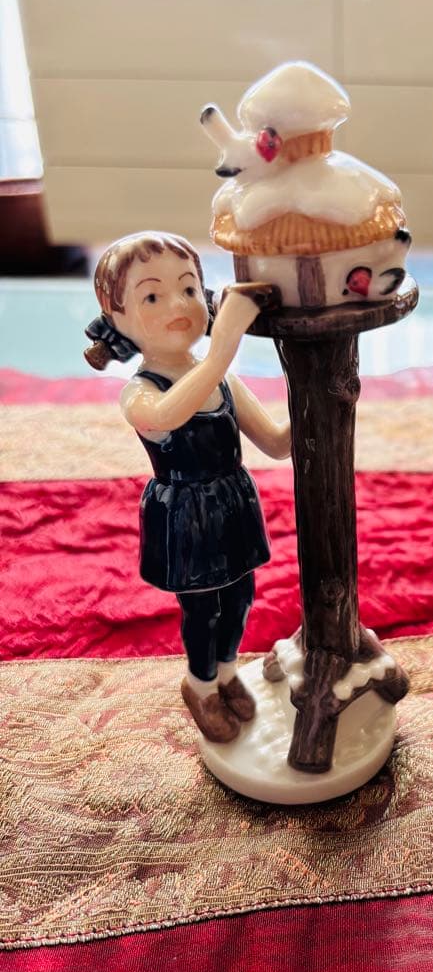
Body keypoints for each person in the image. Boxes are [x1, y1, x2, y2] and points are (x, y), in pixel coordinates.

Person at [85, 231, 290, 742]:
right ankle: (200, 685)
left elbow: (276, 443)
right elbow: (168, 416)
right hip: (185, 510)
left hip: (232, 502)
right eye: (152, 296)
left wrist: (317, 396)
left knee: (240, 596)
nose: (178, 305)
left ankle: (227, 672)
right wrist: (222, 351)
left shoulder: (222, 379)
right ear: (117, 319)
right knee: (202, 608)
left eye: (189, 289)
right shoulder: (140, 393)